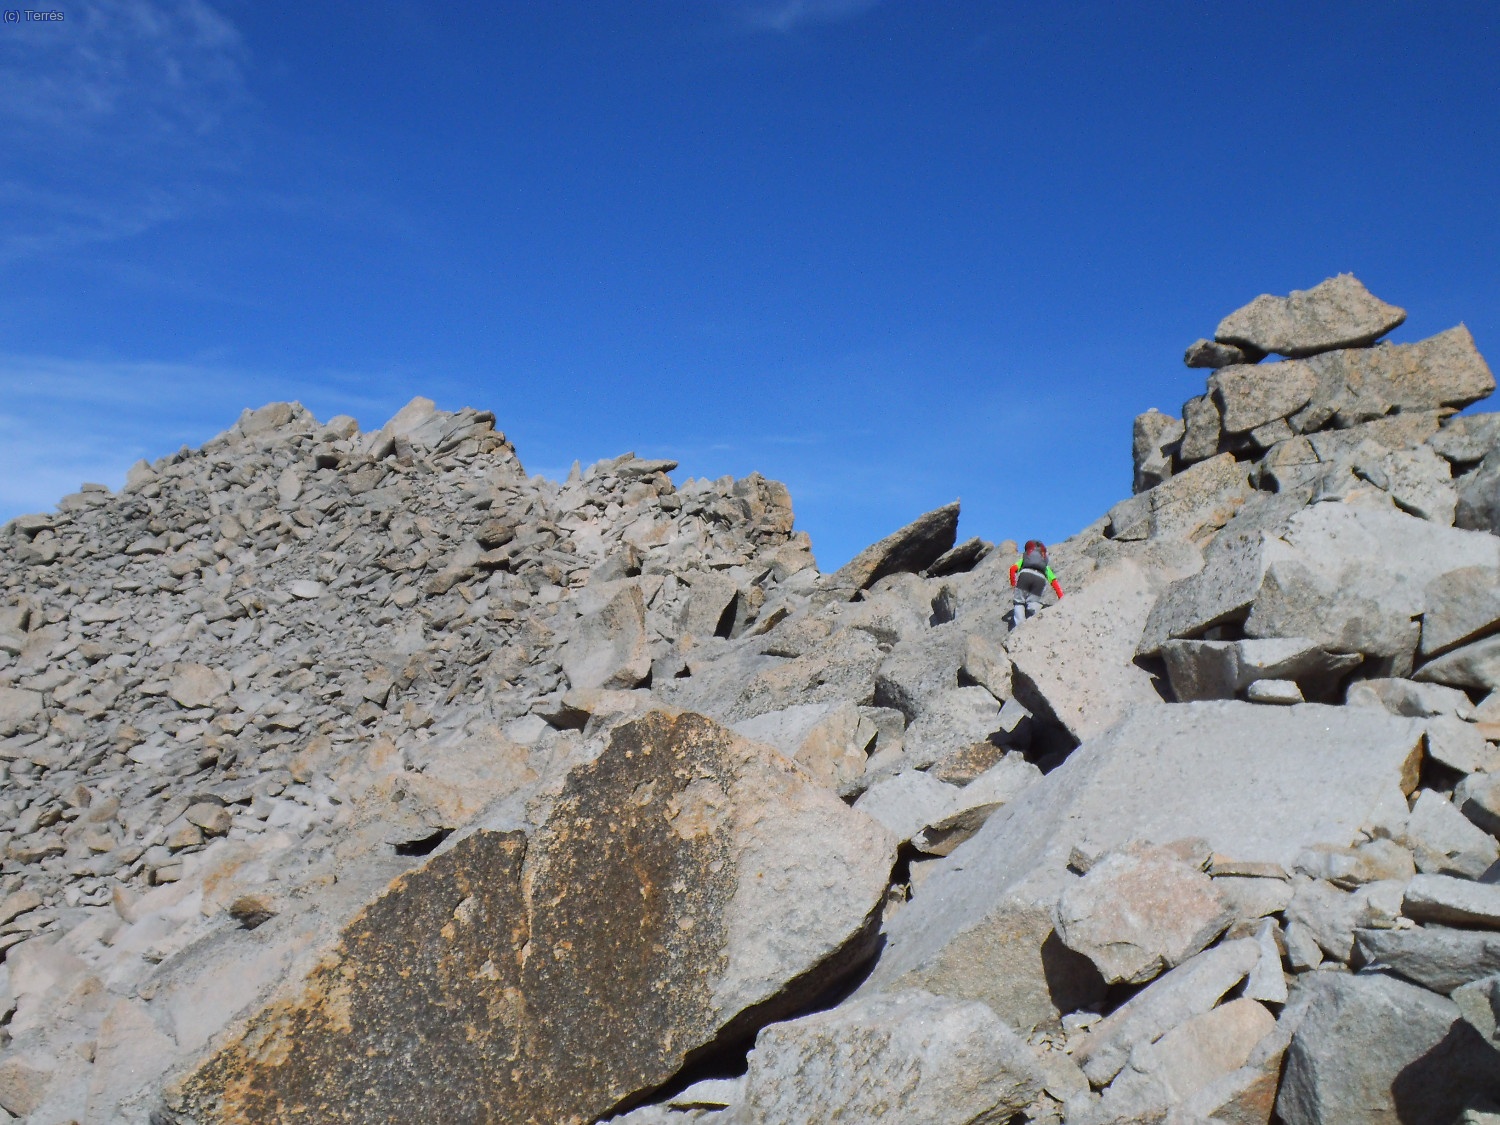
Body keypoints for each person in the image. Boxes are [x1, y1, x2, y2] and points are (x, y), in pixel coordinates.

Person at [1009, 540, 1064, 628]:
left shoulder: (1025, 559)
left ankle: (1020, 627)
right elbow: (1053, 581)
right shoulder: (1045, 566)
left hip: (1025, 575)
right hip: (1040, 579)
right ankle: (1034, 621)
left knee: (1019, 602)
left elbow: (1012, 569)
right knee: (1033, 603)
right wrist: (1061, 597)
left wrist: (1013, 584)